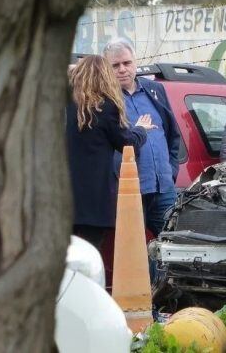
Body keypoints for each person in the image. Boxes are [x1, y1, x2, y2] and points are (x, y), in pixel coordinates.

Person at [66, 55, 155, 250]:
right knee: (89, 257)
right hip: (93, 200)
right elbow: (127, 143)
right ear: (105, 77)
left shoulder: (65, 107)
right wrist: (140, 129)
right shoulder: (105, 107)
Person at [103, 38, 181, 236]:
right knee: (133, 249)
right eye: (115, 65)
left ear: (135, 62)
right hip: (128, 190)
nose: (122, 69)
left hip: (164, 187)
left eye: (127, 63)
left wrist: (171, 171)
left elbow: (172, 134)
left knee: (170, 247)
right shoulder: (103, 99)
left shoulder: (154, 90)